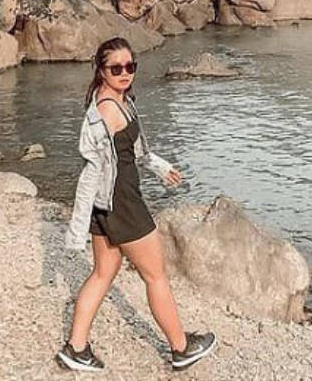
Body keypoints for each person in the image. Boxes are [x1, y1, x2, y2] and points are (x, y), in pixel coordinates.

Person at [57, 36, 217, 373]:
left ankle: (76, 347)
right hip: (122, 202)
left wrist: (159, 167)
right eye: (116, 68)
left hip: (111, 202)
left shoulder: (121, 100)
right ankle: (181, 348)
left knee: (103, 273)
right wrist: (78, 226)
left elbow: (134, 149)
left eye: (130, 66)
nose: (125, 73)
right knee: (156, 276)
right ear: (101, 70)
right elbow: (91, 169)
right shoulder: (105, 111)